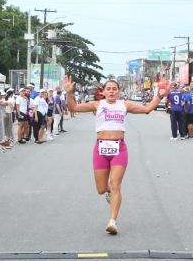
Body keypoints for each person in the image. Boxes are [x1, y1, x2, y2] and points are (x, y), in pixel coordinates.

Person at [64, 75, 166, 235]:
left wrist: (160, 95)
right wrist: (69, 93)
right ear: (103, 92)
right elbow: (73, 108)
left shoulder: (124, 105)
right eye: (108, 89)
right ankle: (109, 194)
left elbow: (147, 109)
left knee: (115, 184)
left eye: (114, 89)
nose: (111, 91)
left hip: (119, 149)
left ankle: (112, 221)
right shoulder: (96, 105)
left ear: (119, 92)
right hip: (100, 149)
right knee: (101, 189)